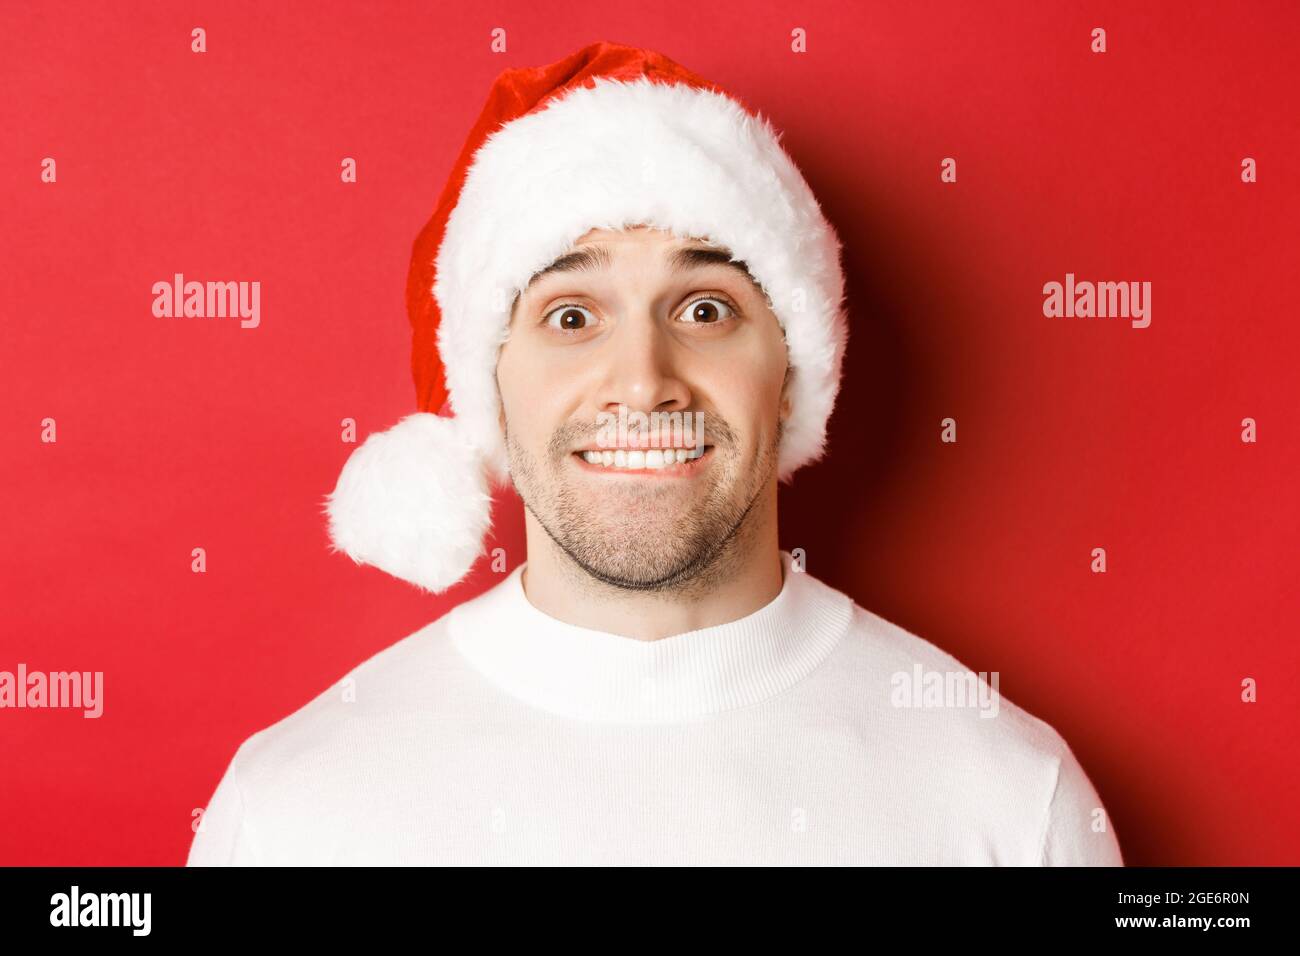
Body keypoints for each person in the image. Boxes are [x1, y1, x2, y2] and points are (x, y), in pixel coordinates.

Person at [186, 40, 1123, 866]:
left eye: (705, 310)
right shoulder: (294, 811)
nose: (642, 382)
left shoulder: (1008, 797)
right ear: (487, 387)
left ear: (795, 372)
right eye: (571, 315)